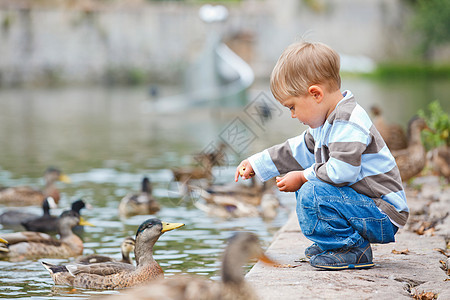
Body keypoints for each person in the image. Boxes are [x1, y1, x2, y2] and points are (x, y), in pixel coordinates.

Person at [235, 41, 408, 270]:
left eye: (292, 107)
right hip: (365, 206)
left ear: (315, 94)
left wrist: (303, 176)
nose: (293, 115)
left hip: (382, 212)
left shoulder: (348, 121)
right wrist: (257, 162)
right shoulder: (326, 124)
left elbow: (343, 172)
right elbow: (295, 150)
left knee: (311, 189)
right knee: (308, 184)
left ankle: (350, 248)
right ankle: (336, 242)